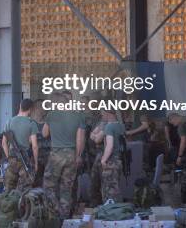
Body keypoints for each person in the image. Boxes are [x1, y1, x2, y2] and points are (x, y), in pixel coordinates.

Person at [42, 92, 86, 220]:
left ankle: (53, 214)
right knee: (66, 187)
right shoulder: (79, 116)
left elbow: (44, 134)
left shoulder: (51, 114)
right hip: (72, 155)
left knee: (49, 186)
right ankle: (64, 217)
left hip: (56, 155)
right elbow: (80, 139)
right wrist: (78, 156)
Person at [1, 98, 39, 191]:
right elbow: (34, 146)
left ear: (20, 107)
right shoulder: (31, 123)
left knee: (8, 190)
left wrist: (9, 157)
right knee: (25, 190)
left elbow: (3, 143)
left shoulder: (9, 121)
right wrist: (36, 162)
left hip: (12, 160)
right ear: (30, 109)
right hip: (25, 161)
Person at [90, 108, 124, 204]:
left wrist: (103, 160)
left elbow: (109, 145)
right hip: (118, 160)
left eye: (103, 114)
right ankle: (116, 210)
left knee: (109, 192)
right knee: (115, 189)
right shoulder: (121, 125)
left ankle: (111, 213)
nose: (102, 117)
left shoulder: (108, 127)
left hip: (111, 161)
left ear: (109, 114)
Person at [31, 99, 51, 187]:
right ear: (35, 109)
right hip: (35, 158)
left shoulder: (49, 123)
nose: (44, 109)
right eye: (41, 107)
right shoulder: (30, 123)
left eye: (45, 107)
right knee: (35, 182)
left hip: (48, 158)